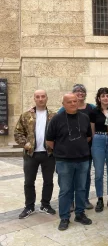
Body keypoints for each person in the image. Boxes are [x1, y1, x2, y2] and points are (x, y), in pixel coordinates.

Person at [46, 93, 92, 231]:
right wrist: (64, 150)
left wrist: (78, 148)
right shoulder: (56, 119)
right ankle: (64, 217)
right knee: (65, 190)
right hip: (64, 161)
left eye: (75, 101)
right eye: (69, 102)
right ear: (63, 104)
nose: (73, 103)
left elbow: (88, 137)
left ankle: (80, 214)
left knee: (81, 188)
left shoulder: (84, 118)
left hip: (83, 160)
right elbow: (49, 141)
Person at [14, 90, 56, 219]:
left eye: (43, 96)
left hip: (48, 154)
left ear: (47, 98)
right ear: (34, 99)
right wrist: (25, 144)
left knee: (48, 181)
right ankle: (29, 206)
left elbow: (59, 133)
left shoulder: (53, 116)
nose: (40, 99)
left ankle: (45, 204)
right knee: (29, 182)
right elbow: (18, 132)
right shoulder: (26, 115)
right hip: (30, 154)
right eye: (38, 97)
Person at [58, 84, 95, 210]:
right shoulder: (63, 110)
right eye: (77, 91)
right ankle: (70, 202)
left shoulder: (91, 108)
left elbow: (103, 111)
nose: (80, 93)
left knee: (85, 176)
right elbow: (53, 123)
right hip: (68, 151)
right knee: (69, 178)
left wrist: (83, 143)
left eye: (82, 91)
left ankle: (84, 200)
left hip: (85, 150)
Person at [90, 87, 108, 212]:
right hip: (98, 140)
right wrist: (95, 141)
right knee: (99, 173)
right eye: (103, 96)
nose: (105, 98)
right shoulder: (94, 112)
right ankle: (100, 198)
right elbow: (92, 129)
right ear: (99, 98)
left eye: (107, 96)